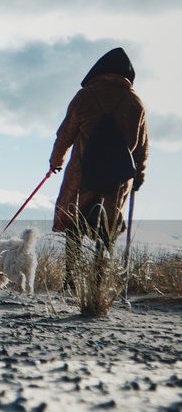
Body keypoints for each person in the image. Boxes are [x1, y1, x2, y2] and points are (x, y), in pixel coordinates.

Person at [49, 47, 148, 289]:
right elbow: (142, 146)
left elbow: (65, 135)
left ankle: (70, 280)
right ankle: (98, 283)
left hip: (82, 176)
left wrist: (56, 162)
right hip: (117, 179)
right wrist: (139, 175)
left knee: (74, 226)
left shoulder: (85, 97)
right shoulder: (135, 103)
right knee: (106, 230)